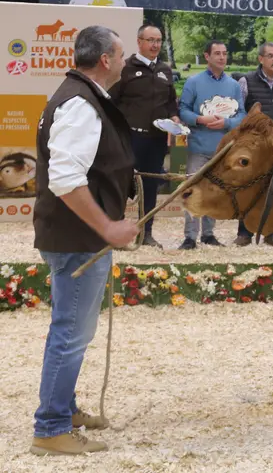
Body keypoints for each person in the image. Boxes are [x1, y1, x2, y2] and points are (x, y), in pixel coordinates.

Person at [30, 25, 139, 455]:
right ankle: (51, 428)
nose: (126, 59)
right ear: (106, 60)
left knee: (71, 328)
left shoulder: (78, 95)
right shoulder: (80, 102)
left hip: (72, 234)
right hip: (78, 238)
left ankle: (65, 408)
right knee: (71, 332)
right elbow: (66, 179)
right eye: (121, 52)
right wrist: (107, 227)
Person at [109, 23, 180, 249]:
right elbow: (111, 102)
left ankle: (145, 233)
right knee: (122, 185)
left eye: (158, 40)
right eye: (150, 40)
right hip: (130, 139)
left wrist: (175, 118)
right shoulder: (125, 67)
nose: (155, 45)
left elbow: (170, 102)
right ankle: (116, 235)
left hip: (157, 140)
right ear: (139, 42)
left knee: (150, 187)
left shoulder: (166, 70)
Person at [177, 40, 246, 250]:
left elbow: (242, 114)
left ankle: (208, 234)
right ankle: (190, 237)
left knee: (216, 191)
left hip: (222, 151)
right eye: (217, 53)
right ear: (207, 57)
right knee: (191, 190)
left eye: (225, 53)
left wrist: (227, 123)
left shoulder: (234, 85)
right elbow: (183, 111)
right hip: (198, 147)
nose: (222, 57)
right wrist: (200, 119)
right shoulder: (193, 82)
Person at [234, 42, 273, 247]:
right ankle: (244, 233)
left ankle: (271, 232)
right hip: (254, 145)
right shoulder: (246, 81)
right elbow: (239, 112)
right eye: (270, 56)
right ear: (261, 59)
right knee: (248, 186)